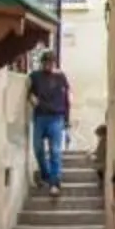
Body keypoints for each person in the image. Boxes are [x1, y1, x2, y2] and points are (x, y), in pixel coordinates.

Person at [26, 52, 72, 193]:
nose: (49, 65)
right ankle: (46, 174)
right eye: (47, 62)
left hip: (56, 117)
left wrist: (67, 119)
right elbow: (29, 93)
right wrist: (32, 99)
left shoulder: (61, 77)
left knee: (55, 151)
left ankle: (55, 182)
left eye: (52, 62)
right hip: (40, 116)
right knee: (38, 148)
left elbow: (67, 99)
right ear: (42, 63)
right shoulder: (35, 76)